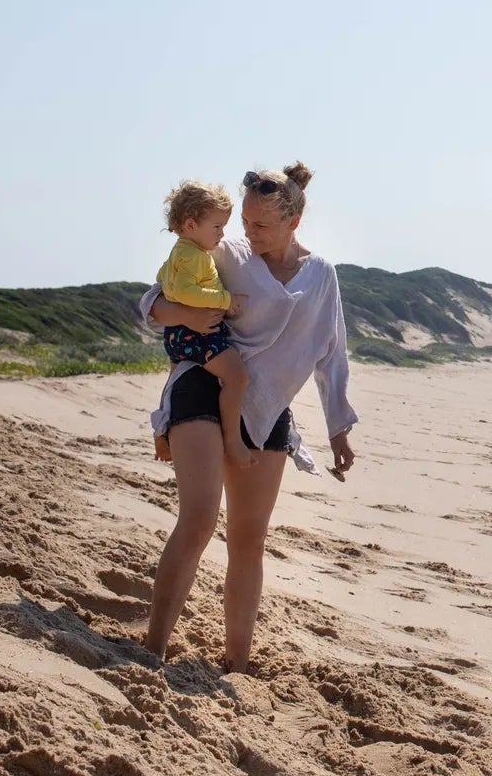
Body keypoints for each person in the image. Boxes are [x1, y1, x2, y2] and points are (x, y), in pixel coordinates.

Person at [138, 161, 357, 671]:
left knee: (248, 539)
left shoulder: (321, 275)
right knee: (197, 520)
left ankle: (236, 662)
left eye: (261, 225)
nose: (247, 232)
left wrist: (339, 428)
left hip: (267, 408)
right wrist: (186, 314)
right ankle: (151, 650)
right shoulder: (226, 255)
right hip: (202, 384)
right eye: (245, 222)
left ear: (293, 223)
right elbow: (151, 302)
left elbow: (332, 352)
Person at [155, 180, 255, 468]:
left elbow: (163, 280)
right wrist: (225, 300)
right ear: (190, 225)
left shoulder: (180, 251)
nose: (222, 235)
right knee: (237, 376)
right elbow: (183, 292)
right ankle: (233, 441)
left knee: (174, 381)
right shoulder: (193, 257)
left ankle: (161, 432)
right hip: (195, 335)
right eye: (217, 227)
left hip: (180, 335)